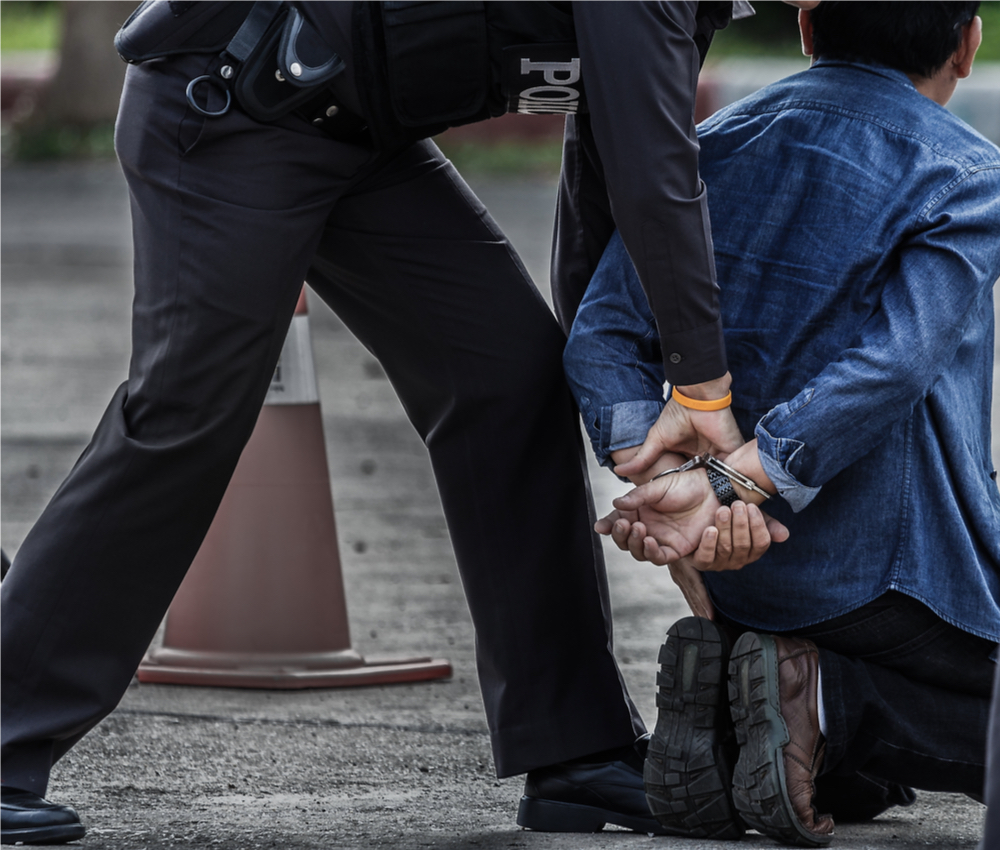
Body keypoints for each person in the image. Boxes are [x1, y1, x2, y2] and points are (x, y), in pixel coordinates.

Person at [0, 1, 760, 844]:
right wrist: (701, 387)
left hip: (356, 136)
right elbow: (652, 168)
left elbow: (606, 159)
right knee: (187, 413)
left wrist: (609, 402)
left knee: (510, 377)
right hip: (227, 104)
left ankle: (578, 751)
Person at [562, 2, 999, 845]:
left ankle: (745, 725)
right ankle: (830, 700)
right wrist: (736, 481)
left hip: (734, 575)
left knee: (865, 787)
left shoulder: (711, 145)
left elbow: (603, 329)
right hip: (891, 581)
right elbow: (890, 366)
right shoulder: (965, 174)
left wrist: (660, 483)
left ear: (806, 28)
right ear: (967, 44)